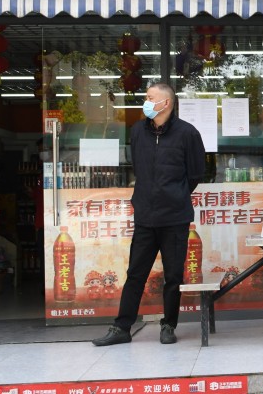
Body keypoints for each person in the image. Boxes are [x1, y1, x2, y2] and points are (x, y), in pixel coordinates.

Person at [93, 82, 206, 347]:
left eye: (149, 97)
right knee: (136, 273)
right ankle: (121, 327)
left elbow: (196, 173)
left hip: (175, 218)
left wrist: (174, 194)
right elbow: (139, 168)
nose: (145, 101)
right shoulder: (137, 131)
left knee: (173, 276)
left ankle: (169, 325)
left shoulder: (187, 134)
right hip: (145, 215)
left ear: (165, 103)